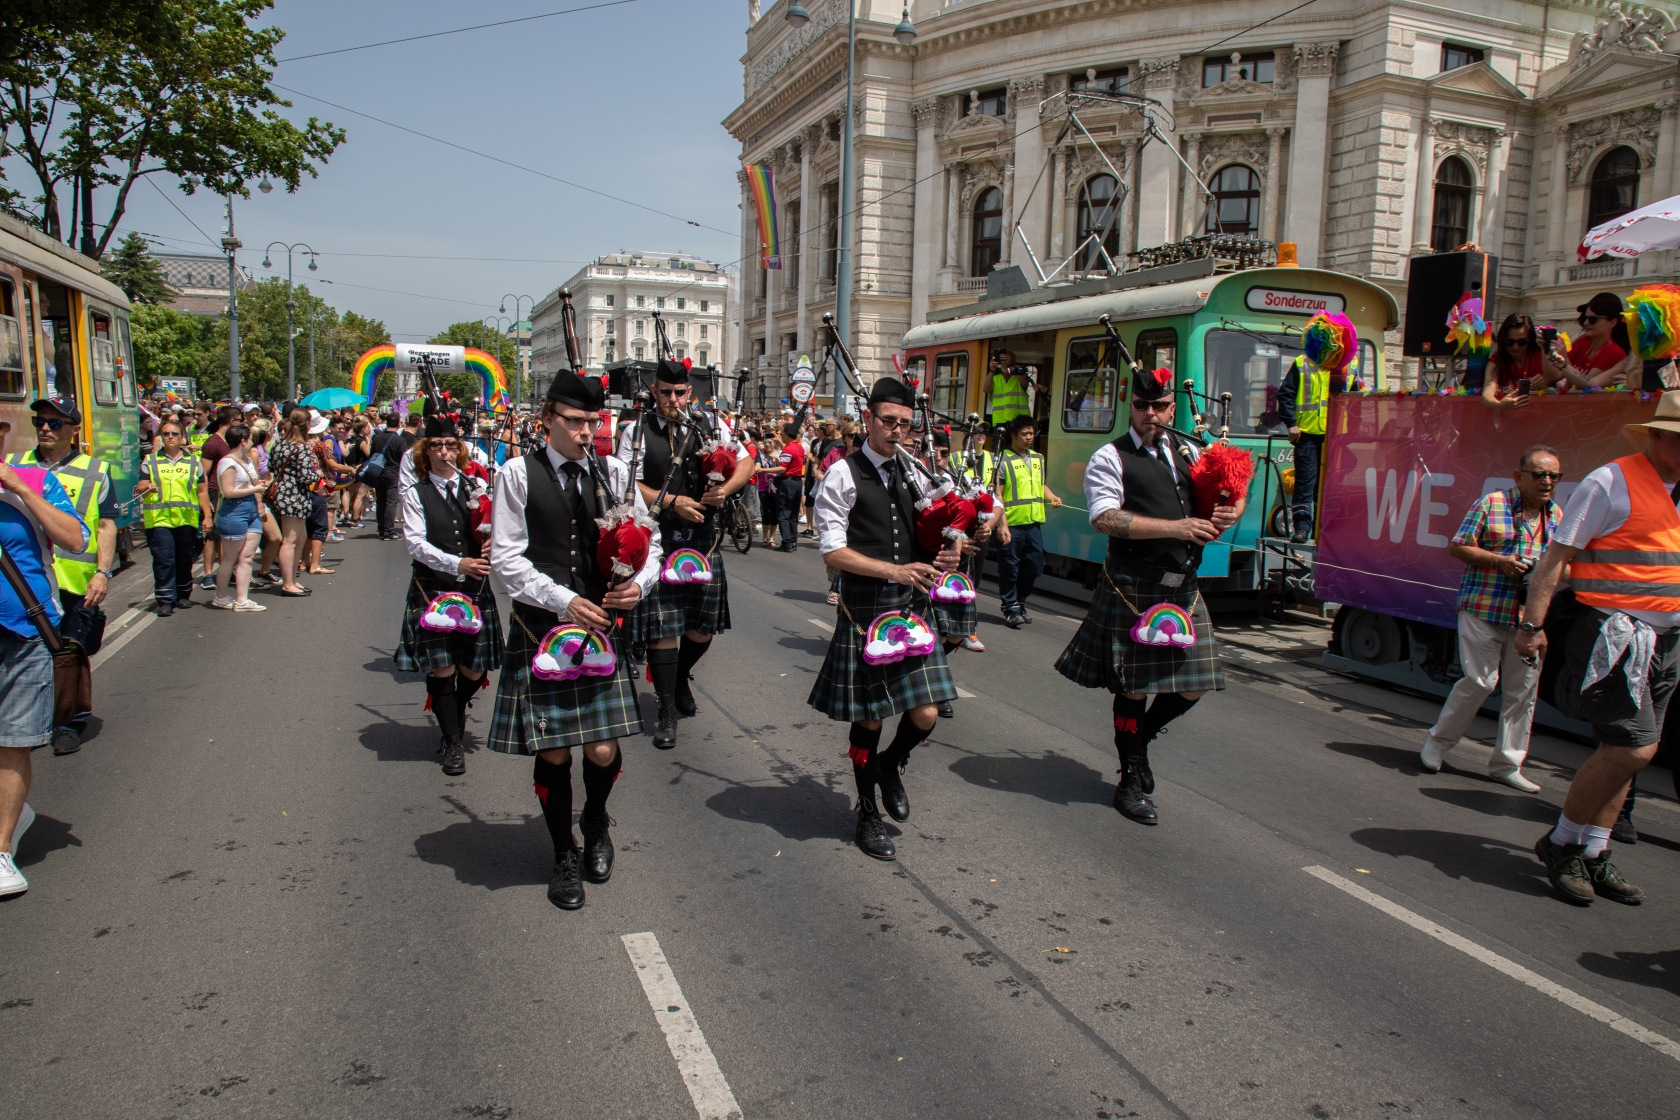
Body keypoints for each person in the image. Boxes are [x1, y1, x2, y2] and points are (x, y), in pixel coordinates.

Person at [487, 369, 660, 910]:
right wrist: (563, 600)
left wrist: (639, 582)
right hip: (542, 628)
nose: (589, 432)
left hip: (601, 630)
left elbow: (648, 543)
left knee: (603, 748)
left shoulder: (612, 472)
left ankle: (594, 819)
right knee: (555, 751)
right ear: (547, 421)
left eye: (594, 421)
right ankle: (564, 852)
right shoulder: (518, 474)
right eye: (577, 422)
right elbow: (505, 561)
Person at [1055, 366, 1244, 825]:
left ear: (1171, 408)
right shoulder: (1110, 457)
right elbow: (1103, 518)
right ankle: (1129, 779)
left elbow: (1230, 495)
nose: (1151, 414)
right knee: (1134, 687)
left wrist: (1228, 509)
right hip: (1133, 585)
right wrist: (1177, 528)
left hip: (1185, 587)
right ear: (1132, 408)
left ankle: (1138, 742)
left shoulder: (1189, 450)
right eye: (1142, 406)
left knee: (1196, 684)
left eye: (1159, 406)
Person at [1516, 391, 1680, 907]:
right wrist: (1531, 625)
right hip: (1616, 634)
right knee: (1634, 748)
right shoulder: (1610, 481)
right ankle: (1562, 842)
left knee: (1625, 756)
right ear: (1656, 435)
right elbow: (1554, 558)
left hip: (1668, 638)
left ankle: (1593, 850)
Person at [810, 377, 962, 861]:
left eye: (905, 424)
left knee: (927, 712)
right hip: (866, 608)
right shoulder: (842, 474)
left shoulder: (916, 470)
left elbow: (935, 529)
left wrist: (949, 551)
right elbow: (833, 551)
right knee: (870, 718)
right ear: (869, 420)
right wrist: (892, 569)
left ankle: (891, 765)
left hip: (912, 606)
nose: (898, 431)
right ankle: (867, 811)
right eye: (889, 422)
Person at [618, 358, 756, 748]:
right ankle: (665, 711)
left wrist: (726, 490)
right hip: (658, 541)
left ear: (690, 393)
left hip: (704, 539)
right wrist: (673, 500)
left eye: (680, 393)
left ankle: (679, 678)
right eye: (666, 392)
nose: (673, 399)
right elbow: (629, 482)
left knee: (702, 627)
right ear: (654, 391)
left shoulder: (712, 423)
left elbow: (747, 460)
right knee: (664, 629)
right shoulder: (637, 430)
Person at [1420, 446, 1562, 790]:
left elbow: (1564, 565)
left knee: (1523, 692)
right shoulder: (1492, 503)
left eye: (1554, 476)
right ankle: (1437, 742)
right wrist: (1500, 561)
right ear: (1519, 476)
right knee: (1481, 682)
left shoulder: (1557, 515)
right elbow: (1458, 546)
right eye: (1539, 474)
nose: (1547, 482)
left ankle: (1507, 765)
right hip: (1483, 606)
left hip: (1528, 618)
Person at [0, 434, 92, 897]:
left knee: (12, 741)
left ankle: (0, 850)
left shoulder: (36, 479)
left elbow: (75, 539)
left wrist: (20, 488)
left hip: (22, 631)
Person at [6, 396, 117, 757]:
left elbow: (104, 525)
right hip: (28, 584)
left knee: (69, 652)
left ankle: (69, 721)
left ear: (74, 429)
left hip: (76, 578)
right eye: (40, 421)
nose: (45, 428)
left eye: (55, 423)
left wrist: (102, 572)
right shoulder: (14, 464)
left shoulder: (95, 468)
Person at [398, 401, 503, 777]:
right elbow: (415, 544)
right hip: (433, 588)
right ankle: (453, 741)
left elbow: (499, 527)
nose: (444, 452)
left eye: (449, 445)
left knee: (473, 670)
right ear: (425, 451)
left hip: (475, 588)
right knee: (442, 668)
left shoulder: (477, 486)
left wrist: (494, 541)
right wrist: (457, 563)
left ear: (459, 448)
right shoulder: (416, 493)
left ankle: (453, 713)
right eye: (436, 445)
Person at [928, 428, 1000, 717]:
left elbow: (995, 505)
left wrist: (985, 526)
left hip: (958, 570)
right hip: (929, 565)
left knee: (955, 634)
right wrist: (958, 542)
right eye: (934, 453)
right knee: (936, 632)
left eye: (944, 453)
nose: (940, 459)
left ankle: (933, 678)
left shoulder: (963, 478)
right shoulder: (919, 480)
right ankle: (936, 687)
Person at [980, 414, 1061, 627]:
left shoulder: (1038, 459)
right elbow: (999, 494)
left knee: (1034, 566)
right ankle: (1010, 608)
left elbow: (1042, 485)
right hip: (1012, 524)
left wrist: (1052, 497)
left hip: (1033, 523)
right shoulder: (1003, 459)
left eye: (1032, 433)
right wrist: (1002, 524)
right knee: (1009, 567)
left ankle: (1020, 601)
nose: (1029, 437)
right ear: (1013, 435)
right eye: (1024, 433)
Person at [134, 418, 208, 616]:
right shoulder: (150, 460)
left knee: (184, 559)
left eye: (174, 433)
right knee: (164, 559)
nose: (170, 437)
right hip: (159, 520)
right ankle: (165, 599)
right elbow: (140, 486)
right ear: (160, 437)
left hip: (186, 520)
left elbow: (202, 491)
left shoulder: (193, 462)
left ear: (182, 437)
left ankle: (183, 595)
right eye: (166, 433)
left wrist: (207, 516)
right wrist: (146, 486)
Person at [209, 424, 267, 612]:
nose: (253, 441)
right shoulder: (227, 462)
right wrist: (255, 489)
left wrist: (260, 485)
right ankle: (221, 596)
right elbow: (228, 491)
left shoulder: (248, 460)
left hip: (250, 509)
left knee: (247, 557)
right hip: (234, 511)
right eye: (250, 437)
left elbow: (252, 482)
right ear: (242, 440)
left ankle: (242, 600)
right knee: (230, 558)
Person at [268, 409, 321, 597]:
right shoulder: (300, 447)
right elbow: (306, 476)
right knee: (290, 541)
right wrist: (317, 474)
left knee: (299, 539)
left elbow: (271, 467)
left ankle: (292, 580)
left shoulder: (279, 444)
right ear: (306, 425)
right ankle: (288, 583)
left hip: (284, 493)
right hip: (294, 495)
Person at [1544, 293, 1630, 390]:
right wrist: (1544, 348)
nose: (1585, 323)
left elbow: (1582, 387)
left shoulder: (1615, 352)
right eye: (1584, 318)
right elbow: (1552, 377)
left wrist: (1565, 362)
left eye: (1593, 319)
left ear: (1612, 322)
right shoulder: (1583, 341)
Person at [197, 405, 236, 592]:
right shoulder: (213, 443)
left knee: (224, 535)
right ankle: (207, 574)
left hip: (226, 492)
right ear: (231, 421)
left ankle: (224, 571)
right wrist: (205, 502)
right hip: (214, 492)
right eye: (239, 420)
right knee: (212, 536)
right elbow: (203, 473)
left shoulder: (230, 441)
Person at [1481, 314, 1547, 410]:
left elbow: (1556, 385)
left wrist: (1544, 385)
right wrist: (1499, 405)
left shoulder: (1541, 355)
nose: (1515, 346)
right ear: (1502, 341)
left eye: (1522, 342)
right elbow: (1487, 394)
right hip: (1506, 419)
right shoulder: (1497, 361)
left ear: (1530, 340)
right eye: (1509, 342)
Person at [770, 423, 805, 552]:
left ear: (787, 435)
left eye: (782, 434)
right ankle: (793, 541)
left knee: (783, 512)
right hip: (797, 483)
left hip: (787, 482)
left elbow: (782, 467)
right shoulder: (799, 447)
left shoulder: (788, 449)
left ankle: (787, 542)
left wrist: (762, 469)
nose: (781, 436)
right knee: (793, 514)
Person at [369, 412, 404, 540]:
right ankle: (389, 531)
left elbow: (371, 455)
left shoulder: (377, 438)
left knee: (381, 501)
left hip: (379, 471)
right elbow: (403, 459)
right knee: (391, 502)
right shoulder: (399, 440)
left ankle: (381, 529)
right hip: (393, 473)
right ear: (398, 423)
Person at [986, 348, 1031, 426]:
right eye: (1003, 360)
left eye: (1008, 360)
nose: (1006, 363)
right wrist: (992, 370)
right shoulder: (996, 378)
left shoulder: (1018, 377)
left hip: (1020, 422)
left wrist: (1012, 365)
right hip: (1000, 422)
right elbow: (986, 389)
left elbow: (1024, 383)